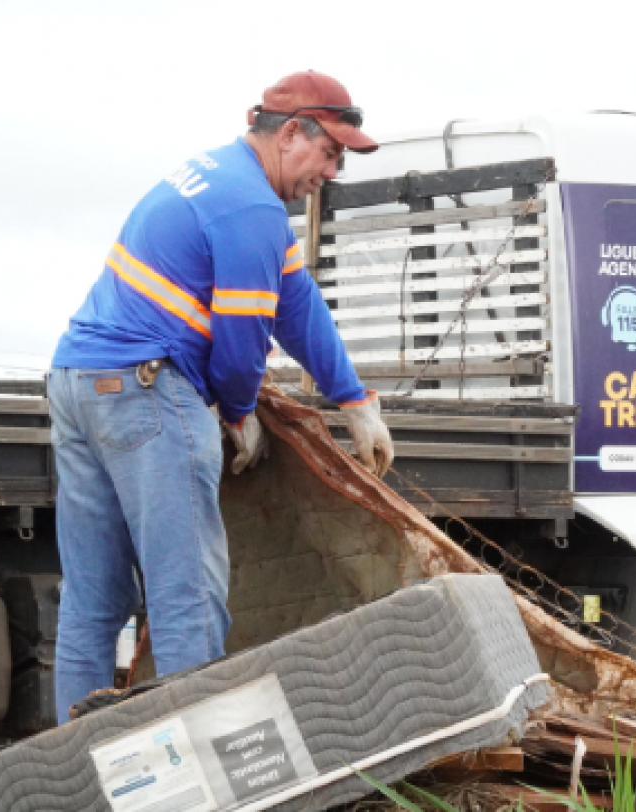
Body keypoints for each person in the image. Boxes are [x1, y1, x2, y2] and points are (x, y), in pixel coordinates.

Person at [47, 70, 393, 723]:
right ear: (293, 132)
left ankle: (75, 771)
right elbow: (240, 347)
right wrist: (237, 413)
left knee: (93, 598)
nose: (334, 169)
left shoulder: (219, 176)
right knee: (188, 595)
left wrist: (352, 396)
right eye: (331, 152)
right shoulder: (251, 209)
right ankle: (194, 776)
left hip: (78, 379)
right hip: (146, 391)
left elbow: (294, 300)